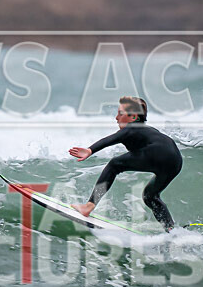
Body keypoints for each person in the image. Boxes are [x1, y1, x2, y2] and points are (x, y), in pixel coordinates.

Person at [69, 96, 183, 231]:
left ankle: (89, 206)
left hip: (158, 153)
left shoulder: (131, 128)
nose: (116, 118)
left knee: (114, 165)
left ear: (134, 117)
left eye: (120, 113)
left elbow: (110, 139)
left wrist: (90, 150)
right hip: (175, 161)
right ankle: (170, 229)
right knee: (150, 196)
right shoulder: (146, 131)